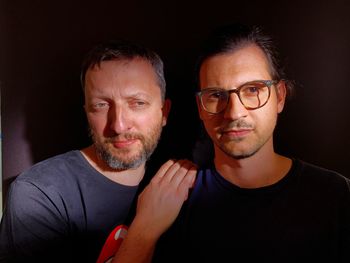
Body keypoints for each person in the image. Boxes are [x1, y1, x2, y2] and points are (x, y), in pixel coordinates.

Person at [112, 24, 350, 263]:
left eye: (253, 90)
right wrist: (143, 232)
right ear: (200, 109)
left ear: (279, 97)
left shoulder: (337, 195)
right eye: (216, 95)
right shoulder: (168, 198)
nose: (235, 113)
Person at [0, 40, 196, 263]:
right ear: (87, 113)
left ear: (164, 113)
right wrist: (146, 228)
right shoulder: (40, 193)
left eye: (138, 103)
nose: (118, 125)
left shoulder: (183, 181)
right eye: (101, 105)